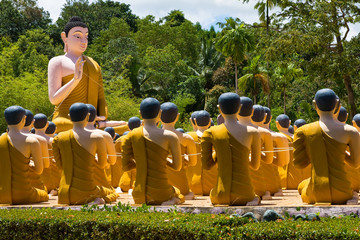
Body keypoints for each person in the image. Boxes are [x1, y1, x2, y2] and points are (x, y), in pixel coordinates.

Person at [48, 16, 125, 133]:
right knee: (57, 125)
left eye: (86, 37)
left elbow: (101, 98)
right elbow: (54, 100)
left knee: (131, 125)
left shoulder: (93, 64)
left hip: (93, 121)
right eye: (78, 36)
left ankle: (95, 126)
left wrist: (102, 117)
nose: (83, 41)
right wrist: (75, 80)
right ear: (65, 37)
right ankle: (94, 127)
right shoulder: (57, 62)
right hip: (66, 120)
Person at [294, 89, 360, 204]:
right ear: (337, 104)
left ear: (315, 105)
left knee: (302, 185)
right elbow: (355, 164)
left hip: (316, 192)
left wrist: (314, 152)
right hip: (342, 192)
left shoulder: (303, 131)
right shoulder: (351, 131)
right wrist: (340, 152)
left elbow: (299, 164)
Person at [202, 93, 261, 205]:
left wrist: (220, 152)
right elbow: (255, 165)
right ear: (239, 108)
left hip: (220, 195)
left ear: (219, 109)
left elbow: (207, 166)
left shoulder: (210, 132)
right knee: (256, 197)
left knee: (212, 193)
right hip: (245, 194)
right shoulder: (253, 133)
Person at [122, 98, 184, 205]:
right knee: (178, 193)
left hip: (139, 194)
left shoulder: (131, 135)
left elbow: (125, 166)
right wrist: (162, 160)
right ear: (160, 113)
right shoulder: (170, 136)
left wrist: (142, 162)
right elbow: (177, 167)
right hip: (162, 193)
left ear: (140, 114)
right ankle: (171, 200)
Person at [53, 103, 117, 205]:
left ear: (69, 117)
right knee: (113, 193)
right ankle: (101, 200)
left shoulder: (59, 138)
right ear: (88, 116)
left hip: (64, 194)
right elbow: (102, 164)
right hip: (88, 191)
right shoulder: (97, 137)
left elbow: (60, 166)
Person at [0, 106, 48, 204]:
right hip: (24, 192)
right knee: (44, 194)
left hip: (2, 193)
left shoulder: (1, 140)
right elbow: (39, 170)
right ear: (24, 119)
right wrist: (29, 163)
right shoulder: (31, 141)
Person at [237, 98, 272, 199]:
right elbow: (269, 160)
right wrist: (257, 153)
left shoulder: (227, 131)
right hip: (258, 183)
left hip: (236, 182)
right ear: (252, 111)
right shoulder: (264, 133)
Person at [161, 102, 197, 199]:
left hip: (159, 184)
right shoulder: (186, 138)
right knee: (189, 194)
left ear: (158, 116)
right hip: (181, 186)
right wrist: (183, 160)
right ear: (177, 117)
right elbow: (193, 163)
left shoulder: (152, 137)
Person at [84, 104, 118, 201]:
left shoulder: (68, 136)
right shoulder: (104, 135)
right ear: (96, 117)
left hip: (77, 182)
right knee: (111, 194)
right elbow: (112, 161)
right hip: (99, 180)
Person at [186, 110, 217, 195]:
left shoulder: (188, 137)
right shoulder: (216, 137)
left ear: (195, 121)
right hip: (213, 186)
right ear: (210, 121)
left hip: (192, 186)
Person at [276, 114, 311, 189]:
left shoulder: (276, 137)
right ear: (289, 123)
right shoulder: (305, 138)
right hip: (304, 179)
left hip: (285, 180)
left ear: (277, 124)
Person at [262, 107, 289, 196]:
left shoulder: (247, 136)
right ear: (270, 118)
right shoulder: (278, 137)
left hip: (253, 183)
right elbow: (283, 162)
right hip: (274, 182)